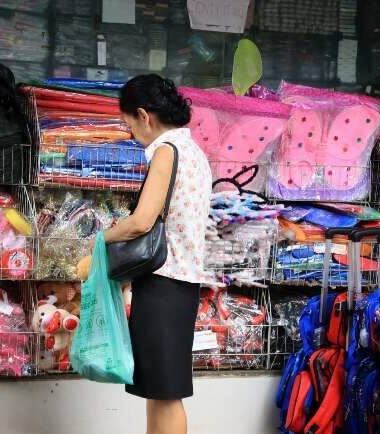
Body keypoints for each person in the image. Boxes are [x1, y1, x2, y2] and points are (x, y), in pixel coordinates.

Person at [101, 74, 213, 434]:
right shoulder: (193, 151)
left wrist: (100, 239)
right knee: (158, 389)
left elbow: (141, 222)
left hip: (164, 282)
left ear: (143, 115)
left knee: (165, 392)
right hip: (181, 283)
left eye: (128, 125)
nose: (131, 134)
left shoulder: (167, 152)